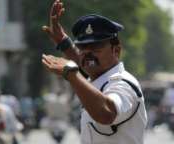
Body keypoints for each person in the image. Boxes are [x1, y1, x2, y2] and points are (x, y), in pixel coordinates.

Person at [42, 0, 147, 144]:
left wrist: (71, 74)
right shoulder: (98, 79)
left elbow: (107, 113)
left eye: (96, 48)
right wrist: (64, 42)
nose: (87, 53)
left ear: (116, 50)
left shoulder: (123, 84)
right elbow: (86, 63)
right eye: (83, 47)